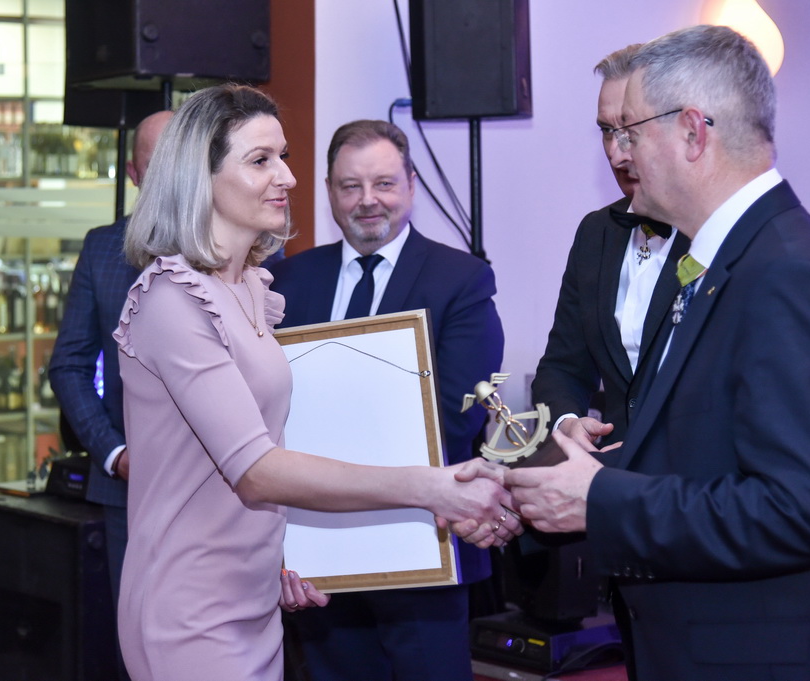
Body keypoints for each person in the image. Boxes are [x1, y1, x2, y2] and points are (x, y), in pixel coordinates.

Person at [481, 25, 810, 681]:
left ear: (694, 133)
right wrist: (545, 486)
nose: (618, 153)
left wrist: (600, 499)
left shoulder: (786, 275)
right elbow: (703, 451)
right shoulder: (739, 259)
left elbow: (805, 511)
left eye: (630, 131)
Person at [112, 85, 519, 681]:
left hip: (255, 596)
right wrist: (432, 488)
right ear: (200, 176)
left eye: (283, 156)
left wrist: (287, 553)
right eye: (261, 160)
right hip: (194, 600)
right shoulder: (174, 298)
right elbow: (256, 467)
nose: (287, 176)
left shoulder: (251, 290)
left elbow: (275, 439)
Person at [269, 119, 505, 681]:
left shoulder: (463, 279)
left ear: (412, 185)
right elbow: (270, 412)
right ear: (329, 191)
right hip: (318, 548)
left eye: (384, 183)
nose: (368, 200)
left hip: (423, 541)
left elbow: (454, 417)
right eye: (350, 186)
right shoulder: (287, 281)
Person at [48, 108, 173, 681]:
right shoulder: (102, 249)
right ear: (133, 173)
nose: (169, 174)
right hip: (129, 491)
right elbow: (68, 364)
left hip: (228, 489)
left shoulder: (243, 246)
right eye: (155, 163)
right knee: (139, 650)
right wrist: (115, 454)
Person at [530, 44, 690, 450]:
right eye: (606, 131)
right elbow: (562, 367)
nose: (617, 154)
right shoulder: (596, 233)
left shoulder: (714, 234)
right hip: (611, 474)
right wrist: (567, 423)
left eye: (630, 130)